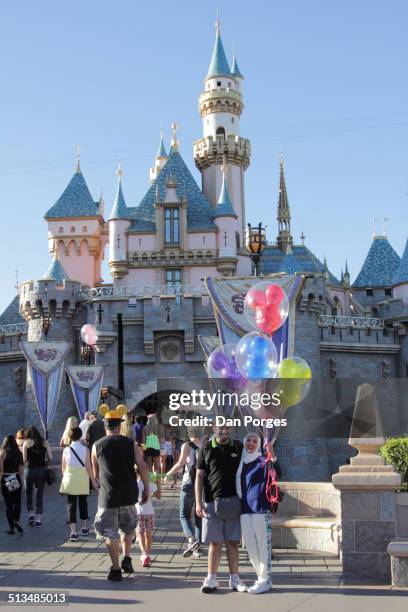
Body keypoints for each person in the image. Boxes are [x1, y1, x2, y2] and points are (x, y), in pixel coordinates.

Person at [92, 404, 150, 582]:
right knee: (128, 528)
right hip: (128, 493)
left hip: (108, 495)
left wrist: (97, 486)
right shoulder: (130, 444)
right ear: (119, 426)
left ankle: (116, 569)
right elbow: (142, 466)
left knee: (110, 533)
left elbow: (95, 474)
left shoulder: (97, 446)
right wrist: (146, 488)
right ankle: (127, 558)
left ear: (105, 426)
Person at [195, 426, 246, 594]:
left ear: (230, 428)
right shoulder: (206, 449)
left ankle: (235, 579)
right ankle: (211, 579)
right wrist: (198, 502)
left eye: (226, 427)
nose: (223, 431)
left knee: (232, 542)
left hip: (234, 501)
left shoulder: (238, 447)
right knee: (214, 543)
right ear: (214, 428)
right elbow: (199, 476)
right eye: (220, 428)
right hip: (211, 502)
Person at [236, 433, 274, 594]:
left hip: (260, 508)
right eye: (248, 440)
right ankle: (262, 577)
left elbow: (277, 472)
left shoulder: (263, 460)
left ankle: (264, 578)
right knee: (251, 546)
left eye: (254, 441)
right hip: (245, 508)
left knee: (262, 544)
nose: (251, 443)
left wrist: (272, 454)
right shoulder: (240, 461)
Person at [165, 430, 202, 557]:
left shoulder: (187, 445)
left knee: (184, 514)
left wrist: (168, 474)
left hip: (188, 482)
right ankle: (197, 546)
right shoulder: (206, 444)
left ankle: (191, 540)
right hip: (202, 483)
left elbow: (181, 464)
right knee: (199, 514)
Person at [60, 427, 98, 541]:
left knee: (71, 504)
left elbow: (63, 468)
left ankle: (73, 531)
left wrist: (65, 478)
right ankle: (85, 527)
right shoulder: (85, 449)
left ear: (69, 436)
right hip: (82, 478)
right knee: (83, 502)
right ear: (80, 435)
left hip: (70, 477)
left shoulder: (66, 450)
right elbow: (88, 467)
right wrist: (93, 480)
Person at [23, 426, 52, 527]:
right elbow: (50, 457)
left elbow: (24, 459)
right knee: (39, 495)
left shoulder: (26, 443)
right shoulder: (44, 442)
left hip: (29, 470)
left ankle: (31, 514)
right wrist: (46, 462)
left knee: (28, 492)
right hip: (41, 470)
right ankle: (38, 520)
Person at [135, 471, 160, 567]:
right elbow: (159, 496)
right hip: (150, 512)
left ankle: (144, 553)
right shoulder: (150, 484)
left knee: (140, 533)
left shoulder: (135, 484)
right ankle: (147, 554)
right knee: (148, 535)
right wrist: (158, 482)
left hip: (139, 512)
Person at [0, 435, 24, 534]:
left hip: (6, 477)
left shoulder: (2, 453)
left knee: (8, 504)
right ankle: (17, 521)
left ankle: (11, 528)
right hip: (15, 477)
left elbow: (1, 470)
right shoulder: (19, 453)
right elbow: (21, 470)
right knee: (17, 502)